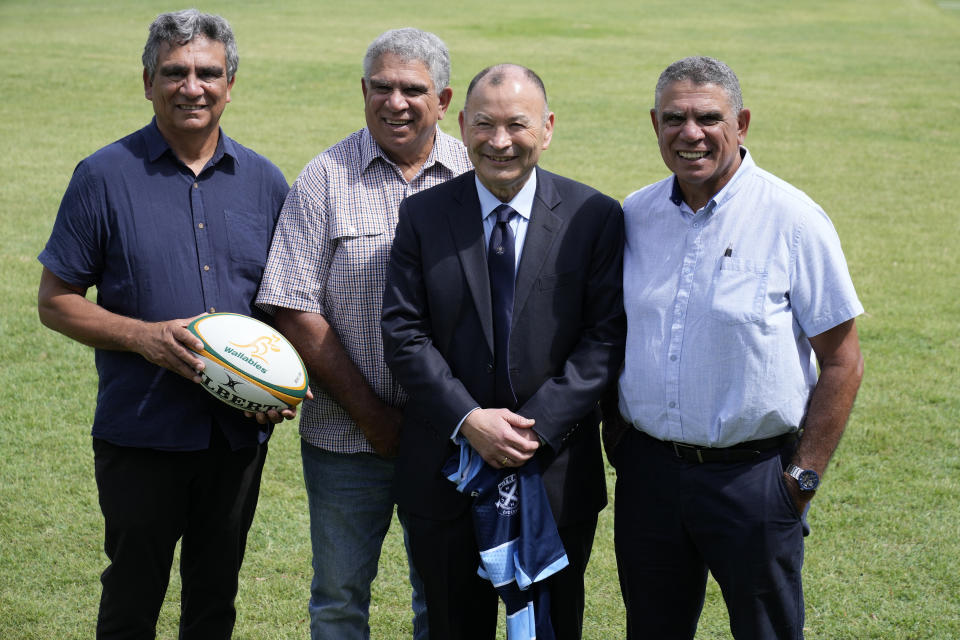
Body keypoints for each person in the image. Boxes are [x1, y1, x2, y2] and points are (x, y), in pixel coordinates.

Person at [36, 9, 291, 639]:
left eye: (208, 72)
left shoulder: (264, 182)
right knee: (132, 593)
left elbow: (281, 306)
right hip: (141, 433)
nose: (192, 86)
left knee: (215, 595)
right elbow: (55, 299)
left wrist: (276, 385)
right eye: (174, 72)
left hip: (234, 435)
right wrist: (142, 338)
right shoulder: (103, 175)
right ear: (147, 81)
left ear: (231, 83)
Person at [609, 55, 865, 639]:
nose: (690, 133)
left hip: (754, 480)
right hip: (649, 476)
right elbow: (611, 333)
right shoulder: (633, 215)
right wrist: (618, 434)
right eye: (674, 118)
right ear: (654, 124)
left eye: (708, 118)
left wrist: (801, 481)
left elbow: (842, 361)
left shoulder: (793, 219)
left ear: (741, 122)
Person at [381, 63, 626, 640]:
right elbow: (404, 332)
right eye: (484, 125)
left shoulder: (595, 217)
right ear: (461, 125)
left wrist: (530, 430)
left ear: (547, 128)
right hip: (446, 476)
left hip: (556, 475)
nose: (499, 141)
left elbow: (605, 338)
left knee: (551, 627)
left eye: (517, 124)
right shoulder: (423, 215)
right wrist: (470, 421)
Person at [254, 27, 470, 639]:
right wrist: (374, 416)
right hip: (346, 440)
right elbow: (293, 308)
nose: (395, 102)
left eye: (412, 89)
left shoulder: (473, 174)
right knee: (340, 597)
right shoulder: (325, 177)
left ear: (444, 99)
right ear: (363, 90)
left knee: (444, 597)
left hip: (451, 438)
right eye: (381, 87)